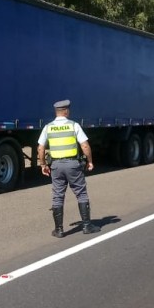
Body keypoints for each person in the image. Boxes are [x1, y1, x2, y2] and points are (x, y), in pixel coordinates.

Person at [37, 99, 99, 238]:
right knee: (81, 194)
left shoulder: (48, 127)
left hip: (56, 166)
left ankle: (59, 230)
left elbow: (40, 148)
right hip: (73, 165)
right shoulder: (74, 126)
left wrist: (43, 165)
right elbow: (85, 146)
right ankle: (87, 226)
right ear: (65, 111)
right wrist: (90, 161)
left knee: (58, 196)